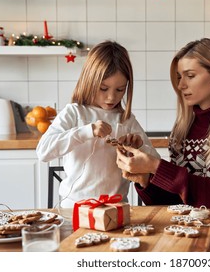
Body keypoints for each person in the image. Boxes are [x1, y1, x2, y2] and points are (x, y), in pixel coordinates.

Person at [116, 38, 210, 212]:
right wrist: (145, 180)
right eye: (179, 77)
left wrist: (156, 166)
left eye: (190, 76)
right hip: (194, 230)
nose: (181, 85)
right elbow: (179, 200)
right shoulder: (182, 129)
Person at [36, 40, 159, 208]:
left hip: (116, 209)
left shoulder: (126, 120)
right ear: (90, 81)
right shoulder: (74, 112)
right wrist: (87, 131)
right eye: (103, 88)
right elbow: (44, 151)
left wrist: (139, 149)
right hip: (74, 209)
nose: (111, 97)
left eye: (120, 89)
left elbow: (155, 163)